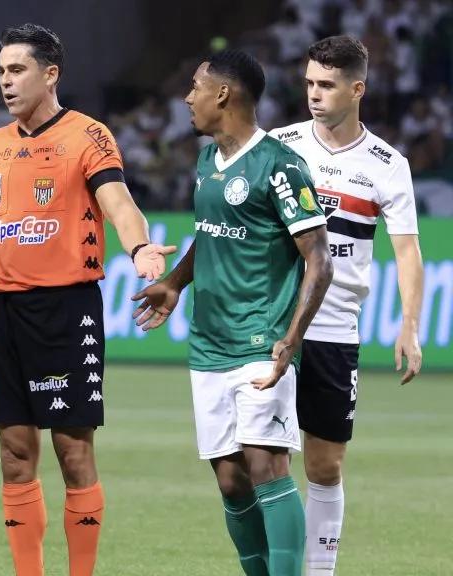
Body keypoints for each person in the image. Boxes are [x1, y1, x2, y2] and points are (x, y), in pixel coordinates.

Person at [0, 23, 175, 576]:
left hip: (68, 310)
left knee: (74, 454)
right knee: (13, 456)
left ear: (50, 74)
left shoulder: (87, 135)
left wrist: (142, 249)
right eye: (1, 71)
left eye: (17, 69)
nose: (6, 81)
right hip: (7, 316)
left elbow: (119, 203)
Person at [132, 49, 334, 576]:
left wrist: (292, 338)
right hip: (208, 342)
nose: (187, 97)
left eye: (196, 86)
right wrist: (175, 282)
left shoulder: (280, 166)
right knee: (229, 478)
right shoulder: (205, 162)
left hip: (260, 340)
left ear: (224, 94)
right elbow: (212, 235)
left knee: (267, 464)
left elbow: (320, 259)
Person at [267, 35, 423, 576]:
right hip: (273, 322)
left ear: (357, 90)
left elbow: (407, 251)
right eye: (309, 83)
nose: (314, 94)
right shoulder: (278, 145)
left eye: (327, 85)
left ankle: (319, 572)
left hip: (335, 328)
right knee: (263, 464)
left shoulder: (387, 164)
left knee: (325, 464)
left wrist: (409, 325)